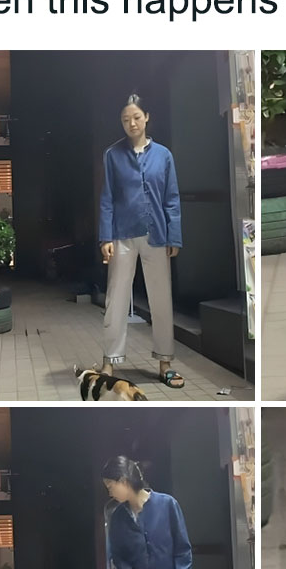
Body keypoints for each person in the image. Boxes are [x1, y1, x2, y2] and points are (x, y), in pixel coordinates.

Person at [98, 94, 185, 389]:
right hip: (122, 234)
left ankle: (165, 363)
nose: (131, 123)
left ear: (147, 116)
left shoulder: (164, 155)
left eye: (136, 117)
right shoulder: (112, 155)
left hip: (157, 234)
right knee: (116, 299)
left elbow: (172, 199)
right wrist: (105, 237)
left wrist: (174, 235)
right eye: (125, 119)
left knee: (161, 299)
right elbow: (107, 198)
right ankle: (110, 360)